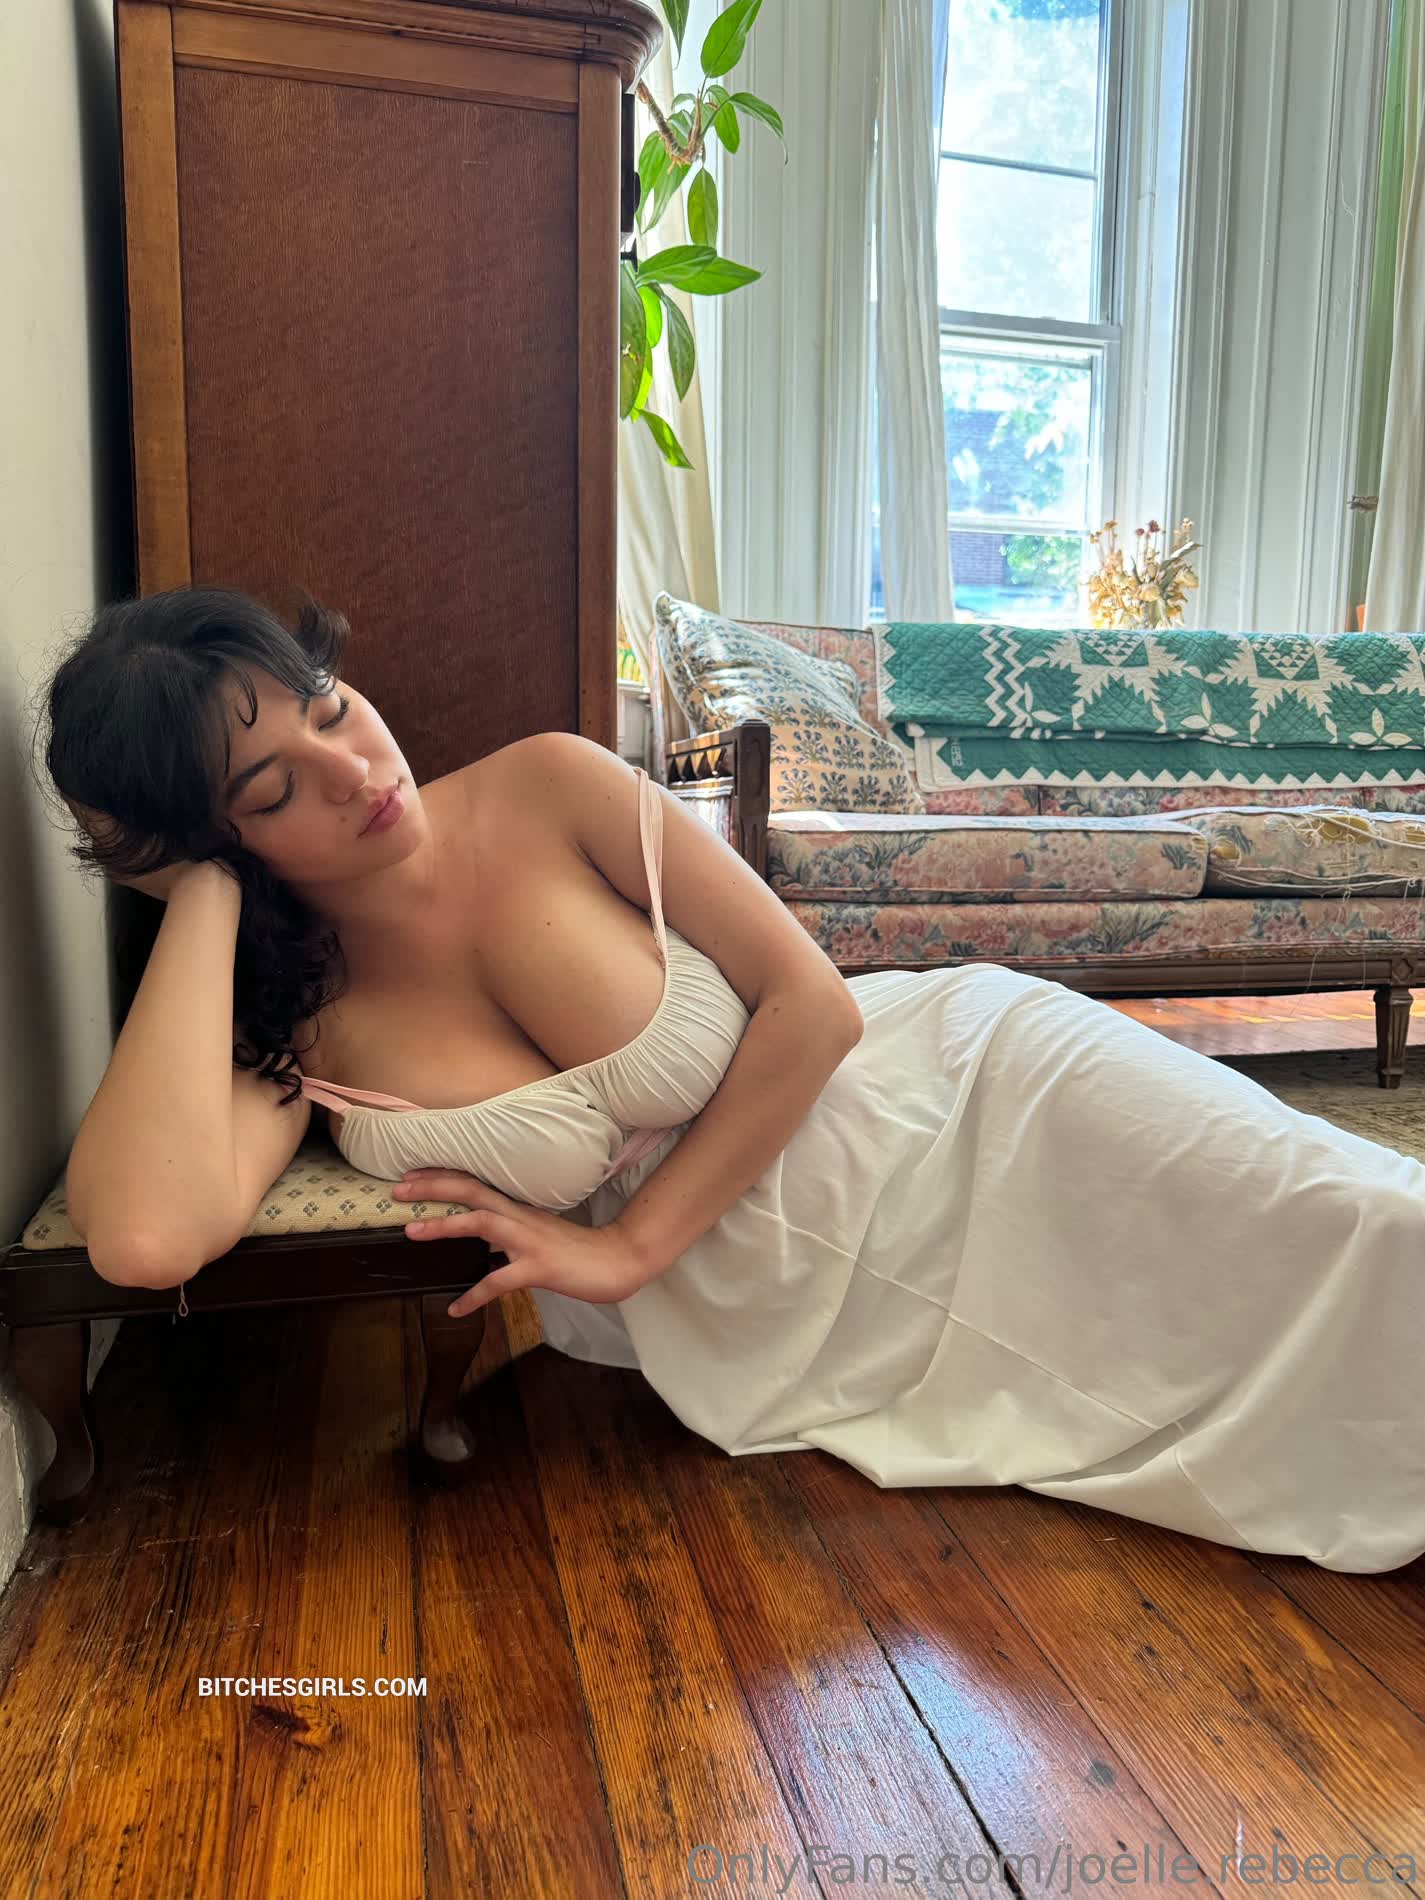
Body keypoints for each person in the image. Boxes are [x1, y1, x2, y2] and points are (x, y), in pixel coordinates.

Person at [38, 586, 1425, 1576]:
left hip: (964, 1098)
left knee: (1357, 1226)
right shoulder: (294, 1028)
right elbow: (146, 1238)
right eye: (271, 791)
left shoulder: (548, 783)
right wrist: (206, 898)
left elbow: (813, 1007)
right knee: (1212, 1419)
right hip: (794, 1327)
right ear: (207, 840)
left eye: (332, 708)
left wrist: (626, 1247)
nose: (353, 770)